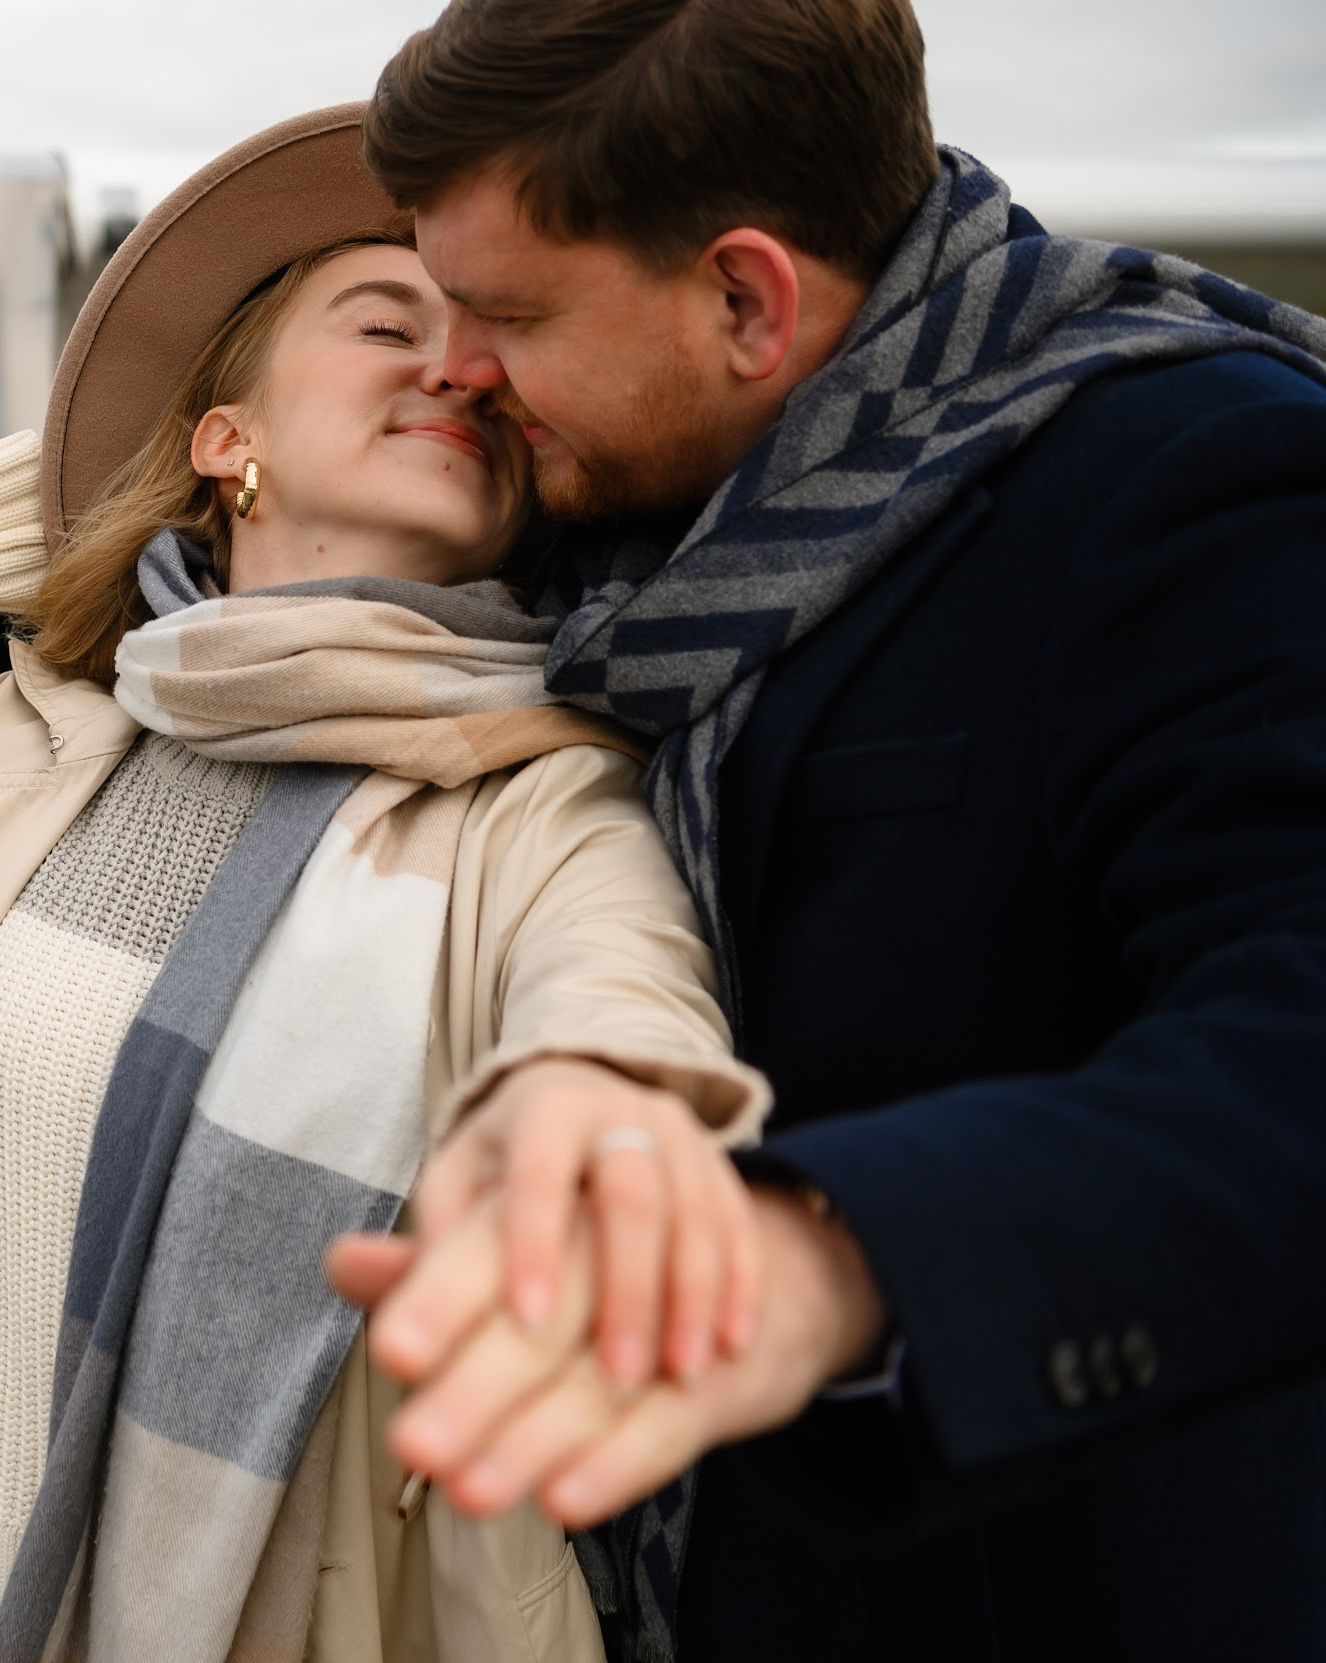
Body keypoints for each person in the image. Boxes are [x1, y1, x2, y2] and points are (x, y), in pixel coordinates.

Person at [0, 110, 770, 1662]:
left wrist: (611, 1103)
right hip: (3, 1604)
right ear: (225, 437)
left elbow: (620, 993)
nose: (457, 367)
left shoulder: (540, 796)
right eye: (389, 324)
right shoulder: (12, 752)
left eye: (488, 361)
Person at [326, 2, 1326, 1660]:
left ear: (744, 297)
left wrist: (839, 1259)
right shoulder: (606, 548)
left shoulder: (1194, 478)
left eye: (503, 313)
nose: (457, 370)